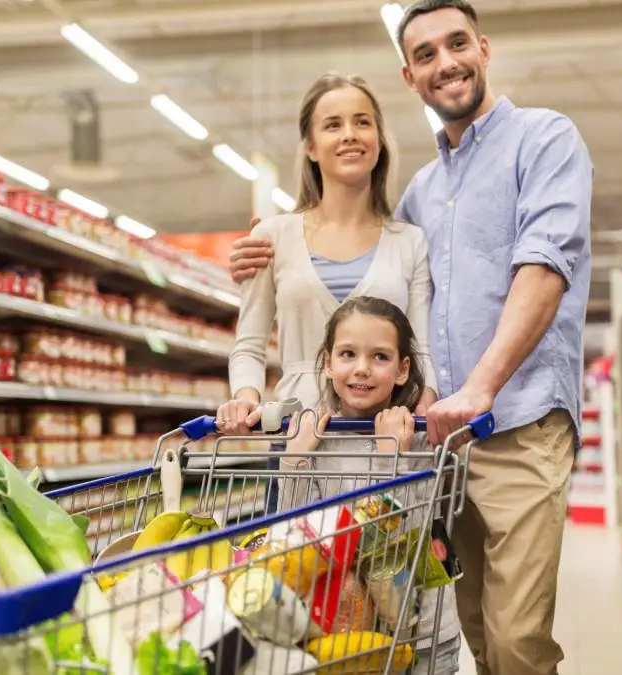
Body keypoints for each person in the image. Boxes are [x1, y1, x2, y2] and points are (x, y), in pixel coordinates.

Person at [226, 2, 593, 673]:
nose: (446, 62)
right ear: (411, 76)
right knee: (449, 627)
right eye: (426, 54)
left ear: (483, 47)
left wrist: (475, 388)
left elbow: (545, 266)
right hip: (412, 449)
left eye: (457, 44)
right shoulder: (423, 194)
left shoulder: (543, 139)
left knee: (512, 638)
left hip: (508, 424)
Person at [215, 72, 440, 508]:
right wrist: (244, 399)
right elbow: (250, 343)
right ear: (311, 147)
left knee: (385, 564)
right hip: (299, 437)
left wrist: (422, 415)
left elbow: (422, 348)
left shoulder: (409, 240)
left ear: (378, 140)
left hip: (383, 439)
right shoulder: (274, 236)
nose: (350, 135)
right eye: (332, 125)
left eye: (362, 122)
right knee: (298, 564)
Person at [279, 296, 462, 674]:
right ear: (328, 363)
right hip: (344, 634)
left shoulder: (422, 438)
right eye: (347, 354)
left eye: (380, 357)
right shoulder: (317, 438)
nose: (361, 369)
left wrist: (390, 456)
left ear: (402, 369)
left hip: (421, 631)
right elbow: (293, 533)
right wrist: (294, 458)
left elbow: (404, 534)